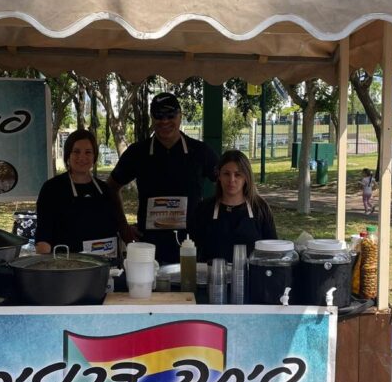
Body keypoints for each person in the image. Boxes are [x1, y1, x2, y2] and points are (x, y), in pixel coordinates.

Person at [108, 92, 218, 263]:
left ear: (180, 116)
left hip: (191, 245)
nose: (165, 121)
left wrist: (214, 221)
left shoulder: (200, 151)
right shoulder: (137, 152)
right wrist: (123, 226)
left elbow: (226, 183)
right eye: (158, 116)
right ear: (152, 119)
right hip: (149, 248)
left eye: (170, 115)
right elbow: (111, 186)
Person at [34, 128, 122, 258]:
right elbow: (43, 236)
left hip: (105, 262)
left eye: (88, 152)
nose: (82, 157)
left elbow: (115, 227)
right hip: (66, 265)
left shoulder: (105, 190)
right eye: (76, 152)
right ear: (68, 155)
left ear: (94, 156)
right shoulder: (52, 189)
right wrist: (45, 263)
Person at [193, 149, 277, 263]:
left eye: (238, 174)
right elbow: (194, 249)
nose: (231, 180)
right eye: (226, 174)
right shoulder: (205, 209)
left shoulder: (260, 208)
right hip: (213, 273)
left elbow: (272, 250)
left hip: (252, 273)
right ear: (219, 176)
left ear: (246, 177)